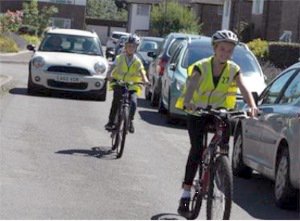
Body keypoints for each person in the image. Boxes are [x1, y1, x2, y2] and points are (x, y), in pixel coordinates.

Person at [175, 30, 259, 217]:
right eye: (222, 49)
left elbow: (244, 87)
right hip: (197, 111)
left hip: (220, 111)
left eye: (229, 51)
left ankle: (221, 164)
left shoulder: (233, 69)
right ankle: (186, 193)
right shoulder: (201, 67)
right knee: (197, 150)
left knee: (224, 135)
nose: (225, 54)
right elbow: (192, 86)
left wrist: (252, 105)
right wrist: (189, 101)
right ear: (214, 49)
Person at [105, 34, 149, 133]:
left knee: (133, 102)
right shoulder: (119, 58)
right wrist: (109, 74)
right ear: (125, 47)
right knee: (116, 101)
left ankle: (130, 121)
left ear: (136, 48)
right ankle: (111, 122)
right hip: (119, 83)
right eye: (129, 46)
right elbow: (112, 67)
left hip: (132, 85)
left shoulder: (137, 61)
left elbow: (142, 72)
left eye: (133, 46)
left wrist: (145, 80)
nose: (131, 48)